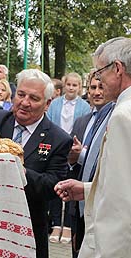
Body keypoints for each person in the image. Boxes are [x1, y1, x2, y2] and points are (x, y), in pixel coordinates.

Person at [55, 37, 131, 258]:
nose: (98, 79)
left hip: (129, 248)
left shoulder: (125, 115)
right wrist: (88, 190)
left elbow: (124, 203)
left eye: (99, 71)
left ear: (118, 69)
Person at [0, 68, 73, 258]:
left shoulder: (59, 139)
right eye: (21, 95)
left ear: (47, 104)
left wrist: (16, 170)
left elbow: (52, 186)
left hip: (27, 230)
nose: (24, 102)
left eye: (34, 98)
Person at [68, 71, 114, 257]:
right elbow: (72, 164)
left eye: (101, 87)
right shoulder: (81, 121)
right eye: (92, 88)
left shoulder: (116, 120)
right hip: (77, 204)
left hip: (101, 203)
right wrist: (72, 159)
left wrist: (82, 155)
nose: (96, 92)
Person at [46, 72, 90, 244]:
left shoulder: (84, 107)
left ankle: (69, 225)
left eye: (75, 85)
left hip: (73, 149)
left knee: (72, 186)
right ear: (64, 85)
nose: (71, 88)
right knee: (56, 184)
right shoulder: (55, 104)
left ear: (80, 87)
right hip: (57, 148)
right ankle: (56, 223)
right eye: (69, 84)